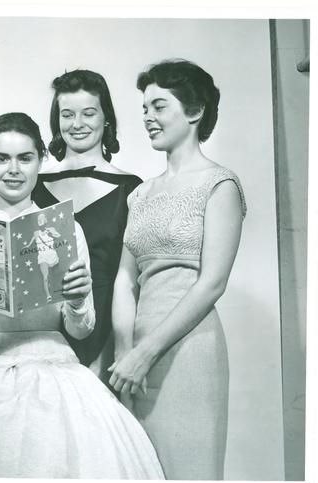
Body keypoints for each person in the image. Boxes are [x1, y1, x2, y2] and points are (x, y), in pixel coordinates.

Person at [0, 112, 164, 479]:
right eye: (1, 158)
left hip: (59, 369)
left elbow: (81, 329)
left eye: (25, 158)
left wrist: (77, 299)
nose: (13, 170)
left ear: (40, 160)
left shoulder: (66, 229)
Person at [109, 59, 246, 480]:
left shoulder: (219, 184)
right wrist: (124, 352)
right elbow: (125, 279)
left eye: (159, 106)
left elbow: (212, 283)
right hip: (133, 359)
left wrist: (146, 353)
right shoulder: (141, 194)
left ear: (195, 111)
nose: (147, 117)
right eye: (144, 108)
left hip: (189, 352)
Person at [32, 69, 142, 384]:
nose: (77, 123)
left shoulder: (131, 188)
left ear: (106, 118)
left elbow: (131, 283)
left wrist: (109, 357)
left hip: (106, 338)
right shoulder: (33, 184)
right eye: (67, 114)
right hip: (44, 341)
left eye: (88, 113)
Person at [25, 213, 61, 301]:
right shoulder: (36, 233)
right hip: (42, 257)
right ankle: (48, 296)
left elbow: (58, 236)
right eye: (38, 220)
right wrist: (27, 246)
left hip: (52, 256)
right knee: (45, 277)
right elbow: (30, 243)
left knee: (53, 277)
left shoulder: (51, 229)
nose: (40, 221)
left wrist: (51, 233)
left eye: (41, 219)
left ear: (45, 220)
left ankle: (54, 291)